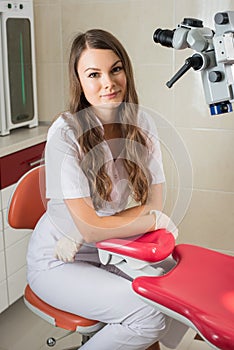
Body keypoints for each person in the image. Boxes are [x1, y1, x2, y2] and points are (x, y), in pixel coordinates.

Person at [27, 29, 187, 350]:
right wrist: (148, 221)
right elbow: (97, 224)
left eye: (115, 69)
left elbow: (153, 204)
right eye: (93, 74)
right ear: (79, 81)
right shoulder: (66, 132)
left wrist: (103, 229)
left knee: (177, 293)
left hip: (111, 246)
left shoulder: (142, 124)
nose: (108, 83)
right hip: (59, 259)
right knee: (147, 315)